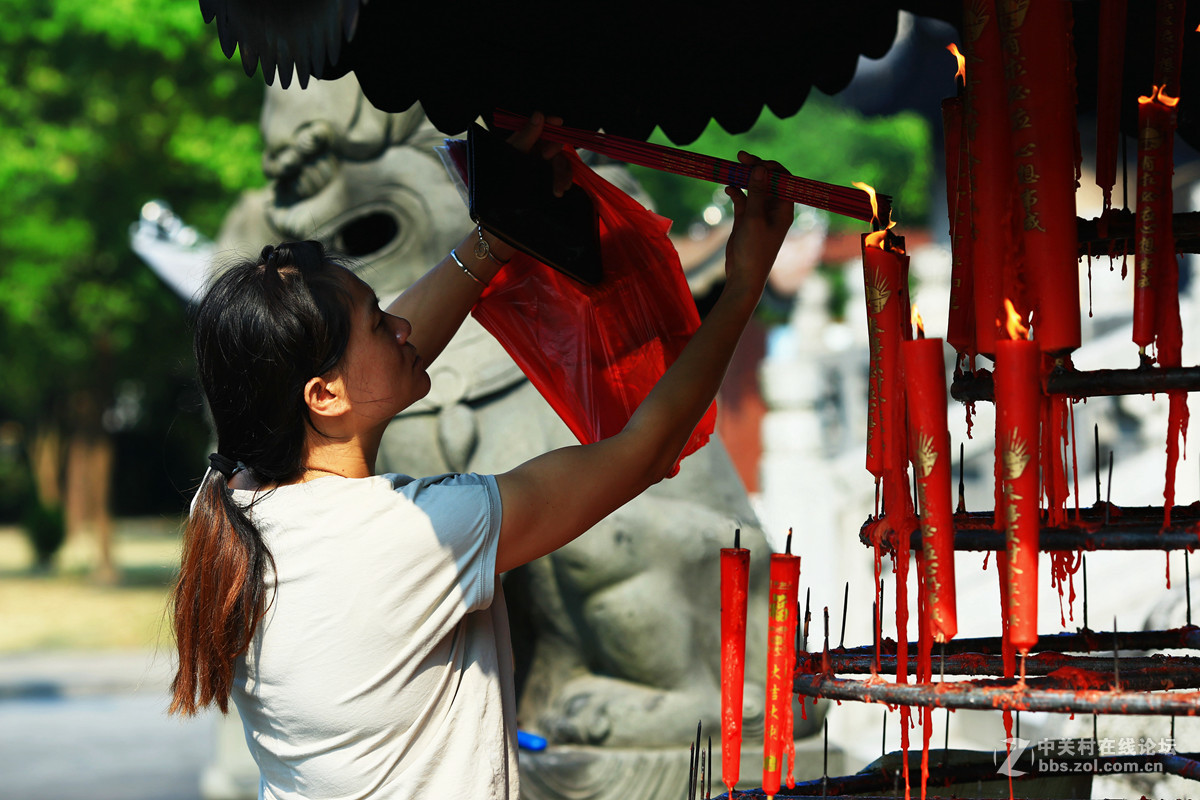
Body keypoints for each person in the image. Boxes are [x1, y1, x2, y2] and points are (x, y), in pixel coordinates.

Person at [168, 112, 793, 799]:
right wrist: (741, 288)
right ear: (323, 393)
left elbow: (379, 372)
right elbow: (641, 454)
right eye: (381, 324)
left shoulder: (232, 495)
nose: (404, 325)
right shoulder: (420, 534)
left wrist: (496, 239)